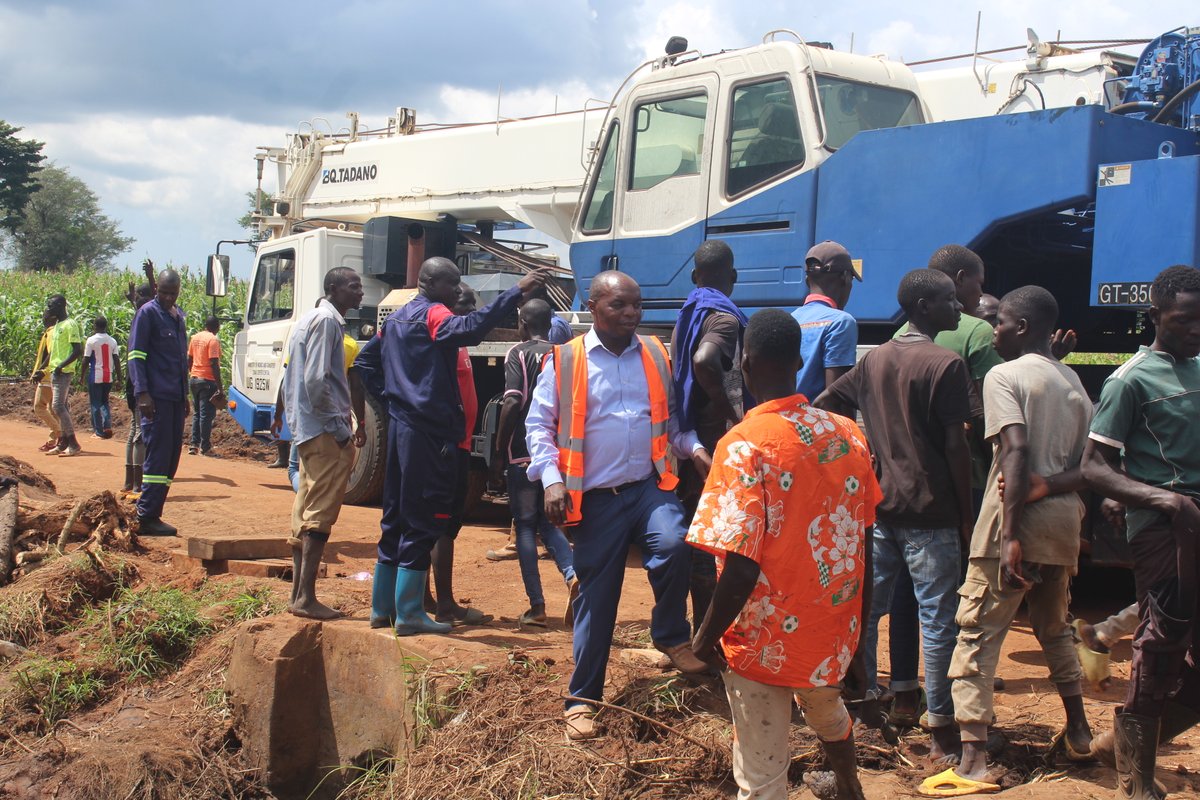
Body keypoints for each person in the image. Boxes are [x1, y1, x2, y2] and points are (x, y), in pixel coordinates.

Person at [688, 309, 881, 800]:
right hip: (831, 628)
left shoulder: (742, 446)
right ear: (798, 360)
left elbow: (741, 564)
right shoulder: (846, 433)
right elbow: (863, 543)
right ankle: (850, 787)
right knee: (826, 710)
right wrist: (858, 634)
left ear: (745, 363)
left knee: (761, 769)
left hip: (762, 639)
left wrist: (705, 636)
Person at [919, 286, 1093, 796]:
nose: (992, 329)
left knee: (976, 632)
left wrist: (1011, 533)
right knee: (1055, 629)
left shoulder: (1003, 375)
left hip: (1012, 524)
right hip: (1063, 524)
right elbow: (1088, 467)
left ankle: (972, 761)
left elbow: (1014, 451)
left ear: (1020, 326)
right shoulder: (1072, 379)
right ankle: (1080, 732)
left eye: (999, 322)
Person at [525, 270, 710, 741]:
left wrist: (695, 450)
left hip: (648, 487)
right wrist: (550, 480)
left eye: (636, 305)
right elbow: (538, 428)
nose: (631, 314)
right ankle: (582, 701)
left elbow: (671, 423)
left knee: (673, 544)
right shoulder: (565, 361)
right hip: (597, 501)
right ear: (593, 307)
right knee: (596, 600)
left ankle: (669, 634)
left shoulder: (654, 352)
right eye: (619, 306)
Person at [816, 268, 977, 763]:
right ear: (924, 306)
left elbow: (824, 404)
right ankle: (942, 731)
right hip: (932, 512)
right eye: (951, 299)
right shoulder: (946, 364)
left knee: (868, 611)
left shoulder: (875, 359)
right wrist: (968, 516)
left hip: (879, 509)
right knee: (938, 619)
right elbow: (956, 447)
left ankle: (863, 712)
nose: (959, 307)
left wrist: (861, 459)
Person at [367, 258, 551, 636]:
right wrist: (517, 291)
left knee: (395, 516)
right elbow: (471, 328)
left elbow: (367, 361)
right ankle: (409, 613)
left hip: (402, 428)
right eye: (452, 285)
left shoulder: (397, 319)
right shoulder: (433, 314)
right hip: (429, 433)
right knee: (423, 519)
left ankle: (380, 608)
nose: (456, 292)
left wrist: (391, 400)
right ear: (431, 283)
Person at [1081, 264, 1200, 799]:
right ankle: (1135, 779)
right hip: (1165, 529)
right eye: (1183, 319)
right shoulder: (1130, 378)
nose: (1195, 329)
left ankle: (1116, 744)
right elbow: (1094, 467)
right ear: (1154, 316)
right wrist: (1164, 499)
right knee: (1162, 644)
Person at [671, 239, 748, 634]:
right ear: (732, 277)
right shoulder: (724, 318)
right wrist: (731, 409)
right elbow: (704, 362)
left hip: (690, 441)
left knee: (698, 539)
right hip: (715, 445)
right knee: (717, 544)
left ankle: (700, 633)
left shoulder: (689, 313)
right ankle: (709, 639)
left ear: (693, 277)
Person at [281, 267, 366, 619]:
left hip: (308, 429)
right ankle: (305, 598)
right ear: (333, 288)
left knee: (305, 510)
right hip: (324, 432)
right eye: (353, 286)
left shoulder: (308, 319)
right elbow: (317, 381)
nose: (360, 292)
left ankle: (298, 595)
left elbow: (292, 379)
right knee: (319, 515)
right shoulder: (327, 322)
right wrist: (340, 430)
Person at [491, 298, 578, 629]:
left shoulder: (518, 352)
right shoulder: (565, 355)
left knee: (525, 525)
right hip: (558, 454)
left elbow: (513, 400)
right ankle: (572, 576)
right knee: (549, 523)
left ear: (523, 323)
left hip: (524, 451)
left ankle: (537, 607)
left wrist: (499, 449)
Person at [423, 284, 492, 626]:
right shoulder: (444, 343)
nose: (468, 312)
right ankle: (444, 603)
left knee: (445, 523)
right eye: (464, 304)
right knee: (441, 526)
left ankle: (427, 597)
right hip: (446, 445)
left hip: (460, 443)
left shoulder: (460, 344)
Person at [128, 270, 189, 537]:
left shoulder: (178, 317)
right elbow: (136, 356)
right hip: (156, 397)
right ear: (156, 289)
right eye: (163, 292)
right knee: (157, 455)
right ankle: (145, 515)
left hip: (175, 397)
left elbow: (179, 363)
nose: (167, 297)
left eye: (172, 293)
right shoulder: (147, 314)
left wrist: (185, 395)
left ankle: (154, 513)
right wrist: (142, 393)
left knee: (172, 457)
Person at [791, 240, 861, 400]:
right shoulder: (841, 322)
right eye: (852, 278)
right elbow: (838, 397)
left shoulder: (790, 319)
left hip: (789, 420)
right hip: (818, 423)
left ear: (808, 280)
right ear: (845, 277)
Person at [122, 283, 155, 496]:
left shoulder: (136, 322)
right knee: (140, 435)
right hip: (140, 386)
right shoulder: (144, 322)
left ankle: (129, 482)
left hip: (131, 384)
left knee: (135, 431)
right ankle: (137, 484)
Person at [45, 294, 83, 457]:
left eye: (52, 305)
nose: (49, 308)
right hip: (55, 371)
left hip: (63, 371)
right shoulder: (58, 325)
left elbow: (77, 350)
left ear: (61, 305)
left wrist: (61, 365)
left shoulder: (70, 324)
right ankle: (64, 443)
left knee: (57, 406)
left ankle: (74, 443)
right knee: (62, 406)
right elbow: (53, 351)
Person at [187, 316, 224, 456]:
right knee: (206, 415)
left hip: (194, 379)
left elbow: (189, 359)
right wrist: (220, 387)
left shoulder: (195, 337)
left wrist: (192, 374)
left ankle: (193, 445)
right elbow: (214, 363)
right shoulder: (213, 340)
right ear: (217, 327)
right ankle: (206, 447)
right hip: (207, 381)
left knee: (197, 413)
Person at [83, 316, 120, 439]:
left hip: (96, 375)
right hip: (108, 376)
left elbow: (86, 359)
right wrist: (119, 378)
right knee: (105, 402)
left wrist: (82, 375)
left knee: (95, 403)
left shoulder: (91, 340)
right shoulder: (112, 341)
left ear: (95, 326)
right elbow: (117, 360)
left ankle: (98, 431)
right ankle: (107, 426)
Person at [30, 310, 61, 452]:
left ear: (53, 317)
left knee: (39, 407)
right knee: (52, 410)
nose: (43, 318)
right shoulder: (52, 332)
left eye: (46, 315)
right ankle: (53, 439)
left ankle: (59, 433)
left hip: (47, 377)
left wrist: (41, 372)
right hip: (49, 375)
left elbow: (51, 354)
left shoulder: (52, 332)